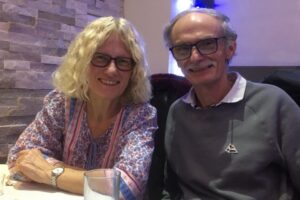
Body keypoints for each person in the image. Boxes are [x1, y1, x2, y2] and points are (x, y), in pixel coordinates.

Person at [7, 16, 158, 200]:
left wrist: (50, 172)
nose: (112, 70)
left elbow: (124, 187)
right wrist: (98, 178)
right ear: (83, 61)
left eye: (123, 61)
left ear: (134, 71)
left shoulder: (141, 115)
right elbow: (19, 159)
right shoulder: (61, 102)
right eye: (100, 58)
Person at [162, 7, 300, 200]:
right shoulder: (177, 112)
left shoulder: (273, 103)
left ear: (230, 48)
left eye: (208, 43)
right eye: (183, 48)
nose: (195, 57)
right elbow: (170, 188)